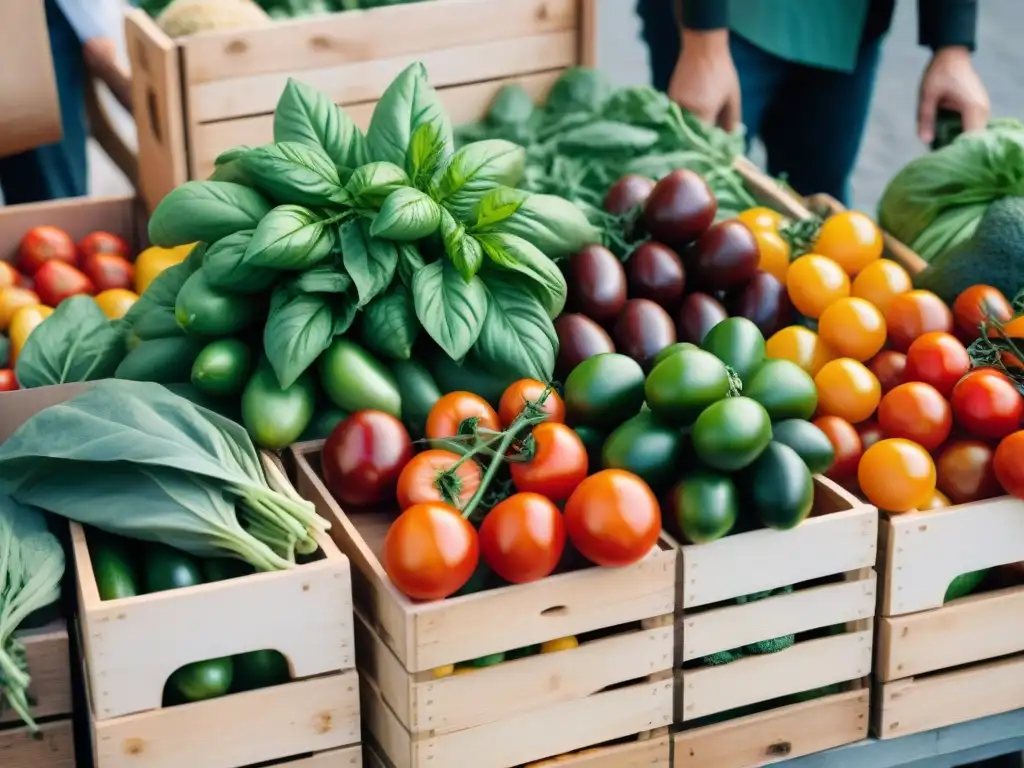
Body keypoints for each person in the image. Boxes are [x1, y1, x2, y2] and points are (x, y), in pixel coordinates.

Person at [635, 0, 990, 205]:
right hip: (722, 18)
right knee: (694, 200)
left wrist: (952, 45)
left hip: (842, 24)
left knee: (818, 199)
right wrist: (703, 44)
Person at [0, 0, 131, 205]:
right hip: (28, 26)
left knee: (44, 189)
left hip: (26, 20)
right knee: (49, 190)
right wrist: (94, 27)